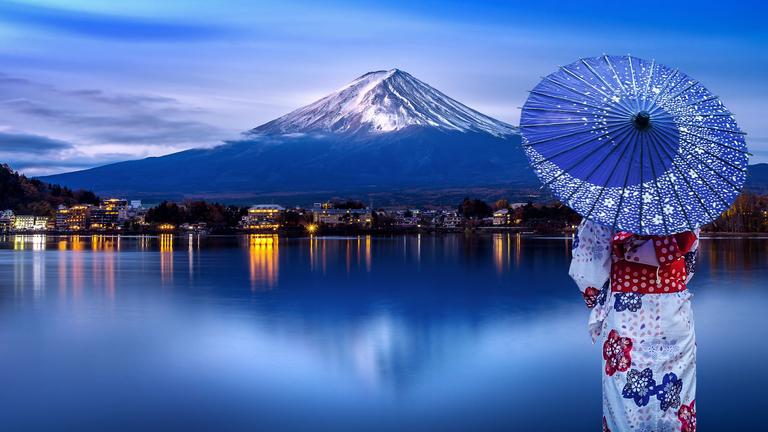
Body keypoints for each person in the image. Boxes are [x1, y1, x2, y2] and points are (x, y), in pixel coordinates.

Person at [569, 220, 699, 432]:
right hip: (674, 313)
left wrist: (598, 299)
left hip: (627, 314)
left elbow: (587, 271)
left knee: (625, 404)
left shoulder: (610, 204)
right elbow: (689, 265)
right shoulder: (682, 206)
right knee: (676, 398)